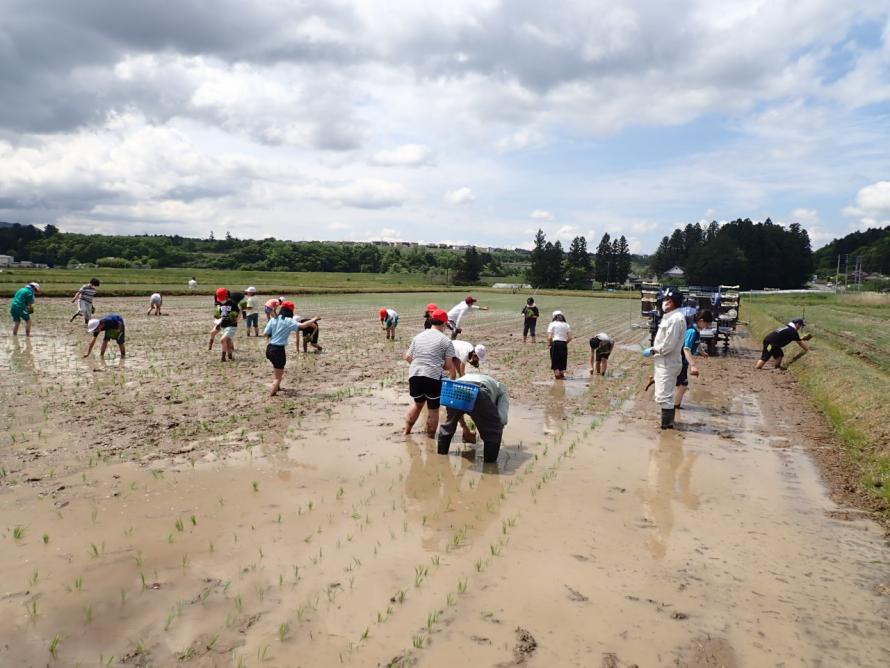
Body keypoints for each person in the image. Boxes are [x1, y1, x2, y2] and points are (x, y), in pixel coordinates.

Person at [437, 372, 509, 463]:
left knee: (448, 425)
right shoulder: (503, 390)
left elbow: (458, 411)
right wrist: (496, 427)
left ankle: (441, 457)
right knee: (493, 432)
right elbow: (502, 419)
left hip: (454, 388)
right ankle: (489, 466)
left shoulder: (478, 378)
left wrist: (465, 427)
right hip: (479, 391)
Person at [404, 309, 455, 436]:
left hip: (415, 375)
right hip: (432, 377)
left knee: (417, 404)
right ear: (444, 324)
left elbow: (408, 357)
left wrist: (421, 365)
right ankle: (430, 438)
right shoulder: (446, 341)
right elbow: (449, 366)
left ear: (431, 321)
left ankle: (406, 431)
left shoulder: (418, 337)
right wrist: (435, 365)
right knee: (433, 409)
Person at [643, 286, 686, 429]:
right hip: (664, 361)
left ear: (672, 302)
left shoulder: (675, 319)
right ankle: (668, 423)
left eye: (666, 299)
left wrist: (654, 349)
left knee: (664, 396)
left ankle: (667, 426)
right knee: (665, 394)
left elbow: (668, 345)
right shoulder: (671, 317)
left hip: (668, 361)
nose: (663, 302)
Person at [263, 301, 319, 396]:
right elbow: (303, 325)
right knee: (278, 376)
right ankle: (272, 394)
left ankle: (278, 387)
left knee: (276, 369)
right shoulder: (289, 321)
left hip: (269, 349)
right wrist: (315, 318)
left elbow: (265, 334)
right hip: (278, 350)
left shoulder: (274, 319)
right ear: (291, 311)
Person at [675, 311, 713, 409]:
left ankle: (655, 379)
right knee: (683, 384)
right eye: (707, 324)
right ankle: (675, 406)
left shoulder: (696, 330)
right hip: (680, 361)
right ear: (701, 321)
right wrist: (693, 365)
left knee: (677, 382)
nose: (706, 326)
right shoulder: (692, 331)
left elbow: (698, 342)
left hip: (682, 362)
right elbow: (686, 349)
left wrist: (702, 351)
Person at [216, 288, 243, 362]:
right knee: (228, 341)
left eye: (223, 298)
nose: (221, 300)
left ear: (227, 296)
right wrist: (218, 323)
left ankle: (223, 357)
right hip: (224, 326)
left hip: (232, 325)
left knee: (222, 340)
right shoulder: (221, 304)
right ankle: (230, 356)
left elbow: (240, 311)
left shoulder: (233, 304)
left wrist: (237, 319)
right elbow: (222, 315)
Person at [547, 310, 572, 379]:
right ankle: (562, 374)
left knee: (555, 360)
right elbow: (570, 338)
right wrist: (564, 343)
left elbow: (549, 337)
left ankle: (557, 377)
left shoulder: (552, 324)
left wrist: (550, 344)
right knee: (562, 359)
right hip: (563, 343)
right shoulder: (566, 324)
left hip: (555, 343)